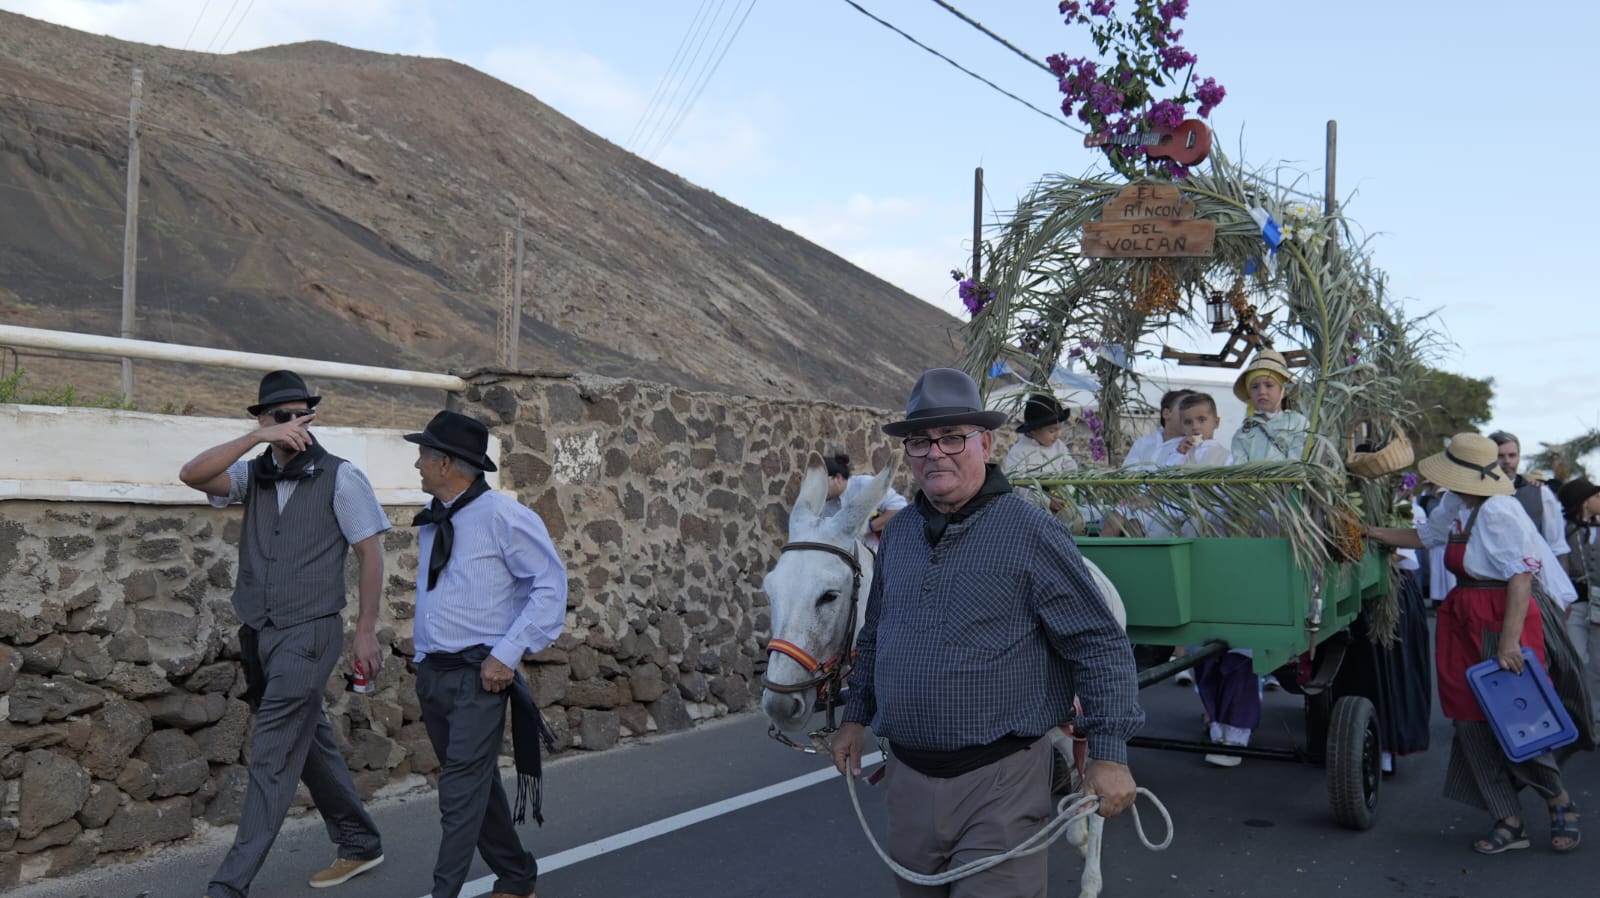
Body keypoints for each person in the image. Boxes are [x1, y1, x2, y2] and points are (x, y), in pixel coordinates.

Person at [829, 368, 1142, 897]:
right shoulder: (900, 533)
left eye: (953, 437)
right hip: (907, 780)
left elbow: (1098, 643)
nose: (935, 453)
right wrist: (856, 716)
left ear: (986, 443)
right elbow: (878, 632)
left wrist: (1110, 753)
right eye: (920, 441)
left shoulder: (1030, 531)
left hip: (1001, 783)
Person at [179, 370, 387, 898]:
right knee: (309, 740)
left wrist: (365, 631)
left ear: (312, 416)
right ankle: (359, 841)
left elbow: (370, 555)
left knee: (271, 752)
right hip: (260, 632)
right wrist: (253, 439)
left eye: (300, 414)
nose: (292, 424)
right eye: (279, 417)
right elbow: (192, 474)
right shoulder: (254, 473)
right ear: (264, 421)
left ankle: (229, 883)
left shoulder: (342, 477)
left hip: (311, 631)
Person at [1364, 432, 1581, 855]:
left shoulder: (1500, 510)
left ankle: (1560, 801)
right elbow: (1426, 539)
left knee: (1517, 717)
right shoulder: (1454, 502)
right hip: (1462, 615)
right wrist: (1370, 531)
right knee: (1468, 719)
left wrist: (1509, 643)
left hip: (1501, 616)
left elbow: (1521, 578)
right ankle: (1508, 817)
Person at [407, 411, 566, 898]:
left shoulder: (506, 517)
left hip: (480, 675)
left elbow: (549, 587)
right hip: (434, 674)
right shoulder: (435, 522)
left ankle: (443, 892)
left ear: (446, 463)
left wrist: (507, 653)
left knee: (457, 792)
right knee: (474, 786)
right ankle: (516, 877)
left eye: (423, 455)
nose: (416, 464)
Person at [1489, 431, 1571, 563]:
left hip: (1533, 577)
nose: (1507, 461)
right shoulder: (1476, 495)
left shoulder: (1540, 493)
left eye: (1512, 455)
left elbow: (1557, 546)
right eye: (1500, 456)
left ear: (1519, 457)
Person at [1558, 476, 1600, 723]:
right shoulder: (1562, 529)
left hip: (1599, 602)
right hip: (1574, 603)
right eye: (1596, 496)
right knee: (1577, 659)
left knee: (1598, 663)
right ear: (1584, 502)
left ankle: (1596, 719)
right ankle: (1579, 715)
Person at [1003, 392, 1081, 526]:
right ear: (1032, 430)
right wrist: (1046, 502)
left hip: (1060, 502)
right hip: (1029, 511)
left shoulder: (1059, 447)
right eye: (1052, 431)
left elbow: (1071, 470)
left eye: (1059, 429)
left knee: (1076, 522)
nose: (1058, 435)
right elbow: (1019, 486)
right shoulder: (1018, 452)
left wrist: (1065, 493)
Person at [1230, 349, 1310, 463]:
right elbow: (1240, 472)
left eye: (1269, 385)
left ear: (1284, 390)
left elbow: (1297, 466)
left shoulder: (1299, 423)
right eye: (1255, 386)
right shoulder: (1243, 433)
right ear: (1249, 393)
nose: (1262, 391)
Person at [823, 451, 909, 550]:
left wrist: (869, 527)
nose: (819, 488)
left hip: (884, 552)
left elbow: (900, 509)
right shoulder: (826, 505)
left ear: (837, 478)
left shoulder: (864, 484)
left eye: (822, 482)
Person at [1123, 388, 1194, 468]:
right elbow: (1127, 472)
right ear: (1166, 413)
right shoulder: (1142, 443)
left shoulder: (1193, 446)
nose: (1191, 413)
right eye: (1186, 407)